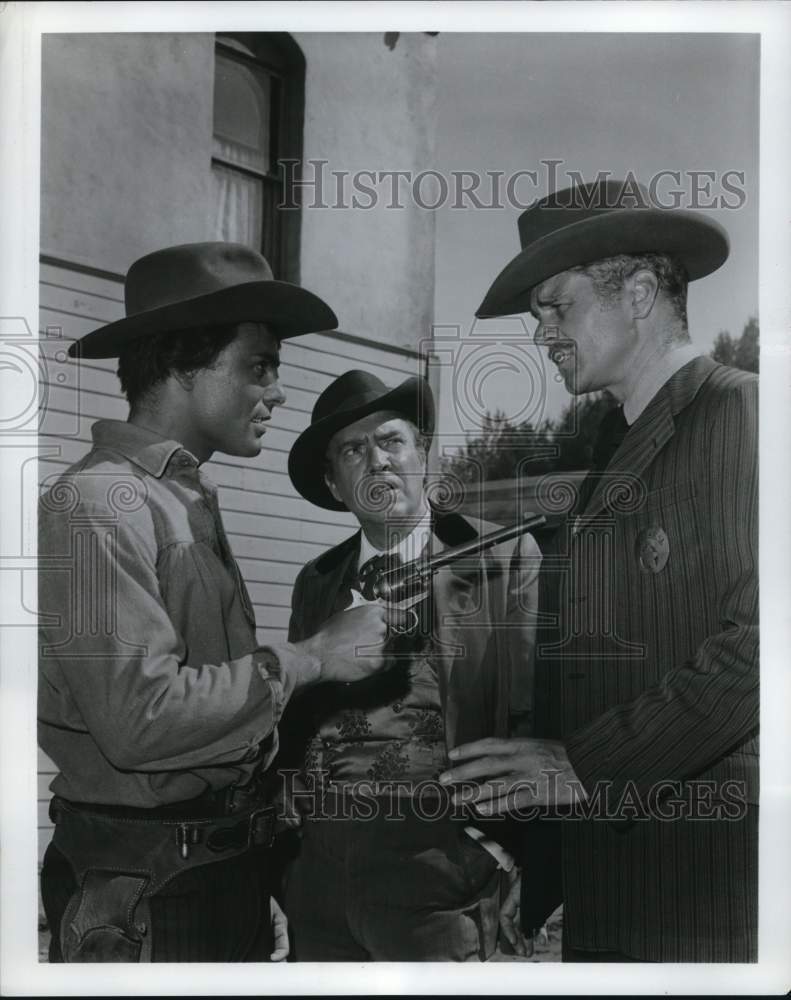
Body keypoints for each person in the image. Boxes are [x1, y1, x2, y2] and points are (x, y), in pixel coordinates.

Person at [38, 242, 393, 963]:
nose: (278, 391)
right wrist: (312, 657)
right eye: (259, 366)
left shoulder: (180, 496)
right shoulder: (99, 504)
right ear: (180, 363)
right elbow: (140, 721)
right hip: (147, 895)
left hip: (210, 874)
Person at [440, 179, 758, 962]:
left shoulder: (740, 414)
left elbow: (764, 646)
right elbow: (576, 685)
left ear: (641, 293)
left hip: (707, 886)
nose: (542, 335)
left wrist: (587, 766)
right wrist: (545, 866)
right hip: (611, 883)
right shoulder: (608, 458)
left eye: (558, 306)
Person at [276, 369, 542, 960]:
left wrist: (516, 853)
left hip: (446, 871)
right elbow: (294, 725)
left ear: (425, 456)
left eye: (392, 440)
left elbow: (533, 713)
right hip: (321, 879)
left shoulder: (502, 556)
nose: (377, 462)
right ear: (334, 482)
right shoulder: (315, 581)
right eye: (352, 450)